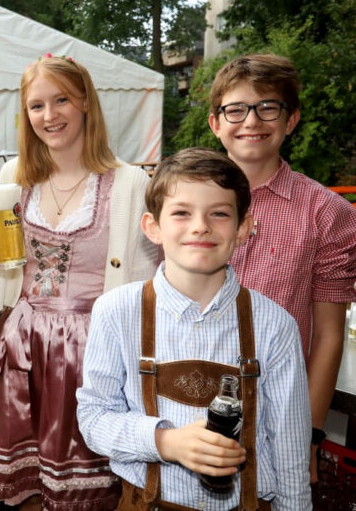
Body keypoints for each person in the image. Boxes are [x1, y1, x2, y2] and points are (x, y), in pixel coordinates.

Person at [0, 55, 160, 510]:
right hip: (21, 345)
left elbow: (148, 285)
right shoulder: (14, 177)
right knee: (26, 488)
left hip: (96, 355)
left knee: (90, 491)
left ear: (86, 102)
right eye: (36, 106)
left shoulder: (131, 184)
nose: (48, 116)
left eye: (61, 101)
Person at [77, 147, 312, 509]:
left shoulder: (275, 326)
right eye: (182, 213)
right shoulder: (116, 311)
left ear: (243, 228)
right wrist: (165, 442)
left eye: (219, 213)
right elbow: (93, 418)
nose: (200, 225)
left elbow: (291, 450)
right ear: (153, 227)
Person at [207, 53, 356, 480]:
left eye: (267, 107)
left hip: (276, 411)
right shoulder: (183, 202)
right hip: (184, 396)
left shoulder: (327, 213)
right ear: (216, 123)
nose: (251, 121)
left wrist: (307, 436)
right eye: (235, 109)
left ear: (290, 120)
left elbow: (328, 336)